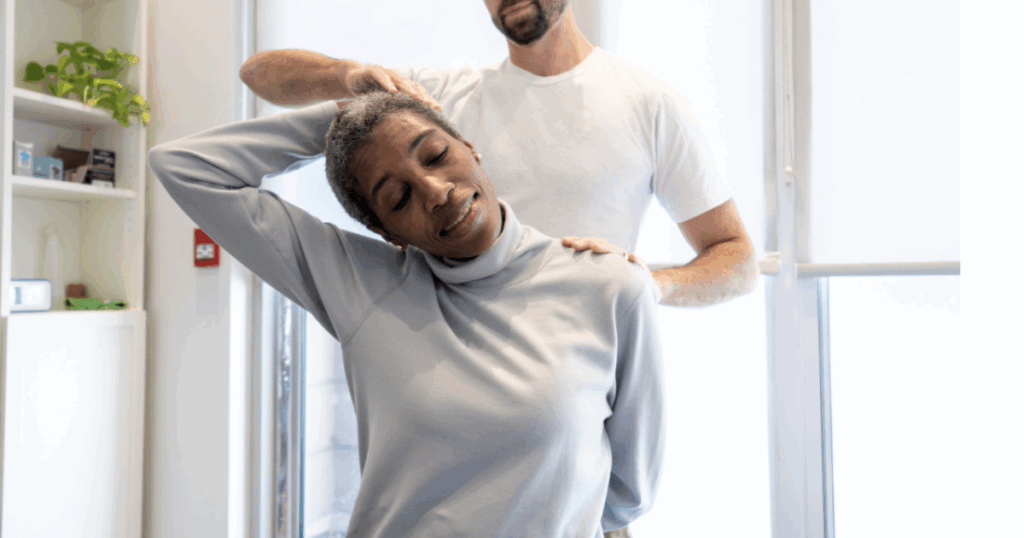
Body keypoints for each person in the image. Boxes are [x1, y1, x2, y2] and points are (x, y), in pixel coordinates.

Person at [241, 2, 759, 536]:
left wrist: (638, 285)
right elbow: (257, 73)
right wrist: (346, 79)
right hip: (449, 435)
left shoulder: (649, 104)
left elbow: (736, 258)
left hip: (568, 448)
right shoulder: (434, 100)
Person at [147, 91, 666, 538]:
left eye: (437, 154)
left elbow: (624, 493)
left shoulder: (609, 287)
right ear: (387, 232)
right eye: (398, 197)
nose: (437, 191)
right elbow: (186, 168)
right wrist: (345, 117)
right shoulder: (362, 283)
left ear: (470, 147)